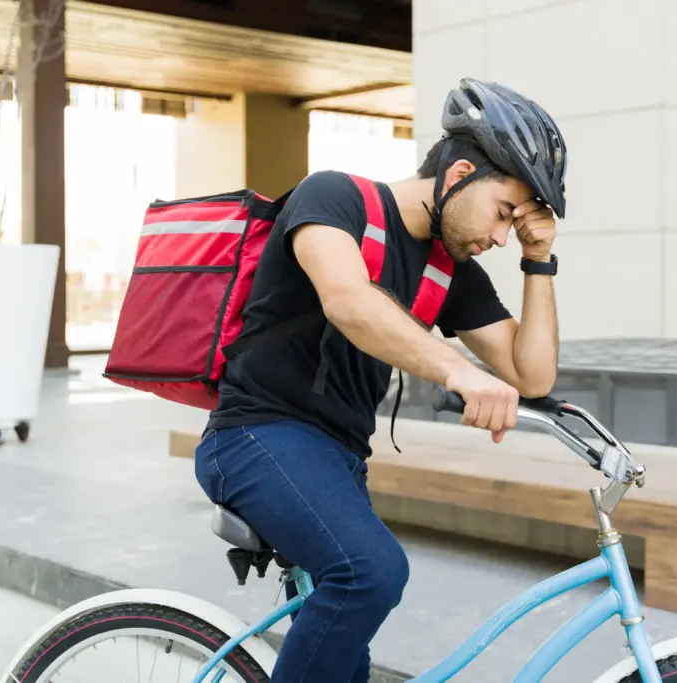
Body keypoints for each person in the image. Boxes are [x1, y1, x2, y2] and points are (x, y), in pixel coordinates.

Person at [194, 77, 568, 683]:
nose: (502, 236)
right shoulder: (334, 198)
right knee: (370, 572)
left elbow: (533, 372)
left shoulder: (451, 270)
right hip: (254, 437)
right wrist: (458, 371)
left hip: (338, 460)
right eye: (504, 213)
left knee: (349, 663)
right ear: (460, 174)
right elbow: (348, 300)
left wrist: (539, 259)